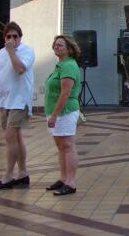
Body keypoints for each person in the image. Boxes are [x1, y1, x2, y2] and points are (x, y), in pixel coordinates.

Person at [0, 22, 35, 190]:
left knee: (10, 137)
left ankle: (8, 176)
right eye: (8, 36)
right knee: (16, 137)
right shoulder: (1, 53)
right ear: (4, 38)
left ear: (20, 37)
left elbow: (20, 69)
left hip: (19, 100)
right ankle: (23, 173)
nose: (11, 39)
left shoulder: (26, 51)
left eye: (15, 36)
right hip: (3, 100)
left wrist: (11, 51)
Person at [44, 35, 82, 196]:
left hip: (64, 112)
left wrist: (54, 115)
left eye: (60, 45)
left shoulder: (68, 66)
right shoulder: (60, 65)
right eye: (55, 45)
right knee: (61, 147)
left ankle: (70, 182)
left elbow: (65, 93)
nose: (57, 47)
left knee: (67, 146)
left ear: (69, 48)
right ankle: (63, 178)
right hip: (55, 112)